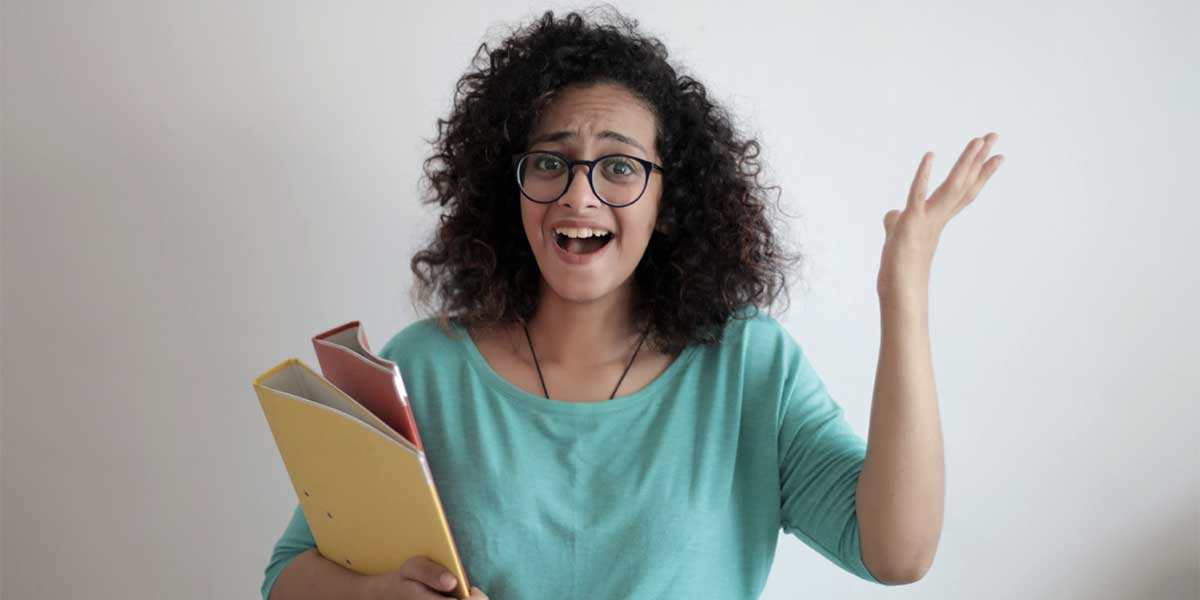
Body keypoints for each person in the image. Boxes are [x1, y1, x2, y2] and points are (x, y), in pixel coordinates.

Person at [261, 6, 1002, 600]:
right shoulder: (424, 368)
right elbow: (288, 576)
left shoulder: (747, 367)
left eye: (619, 166)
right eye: (550, 162)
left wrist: (901, 289)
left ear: (669, 199)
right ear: (508, 186)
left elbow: (898, 553)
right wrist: (372, 595)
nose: (579, 196)